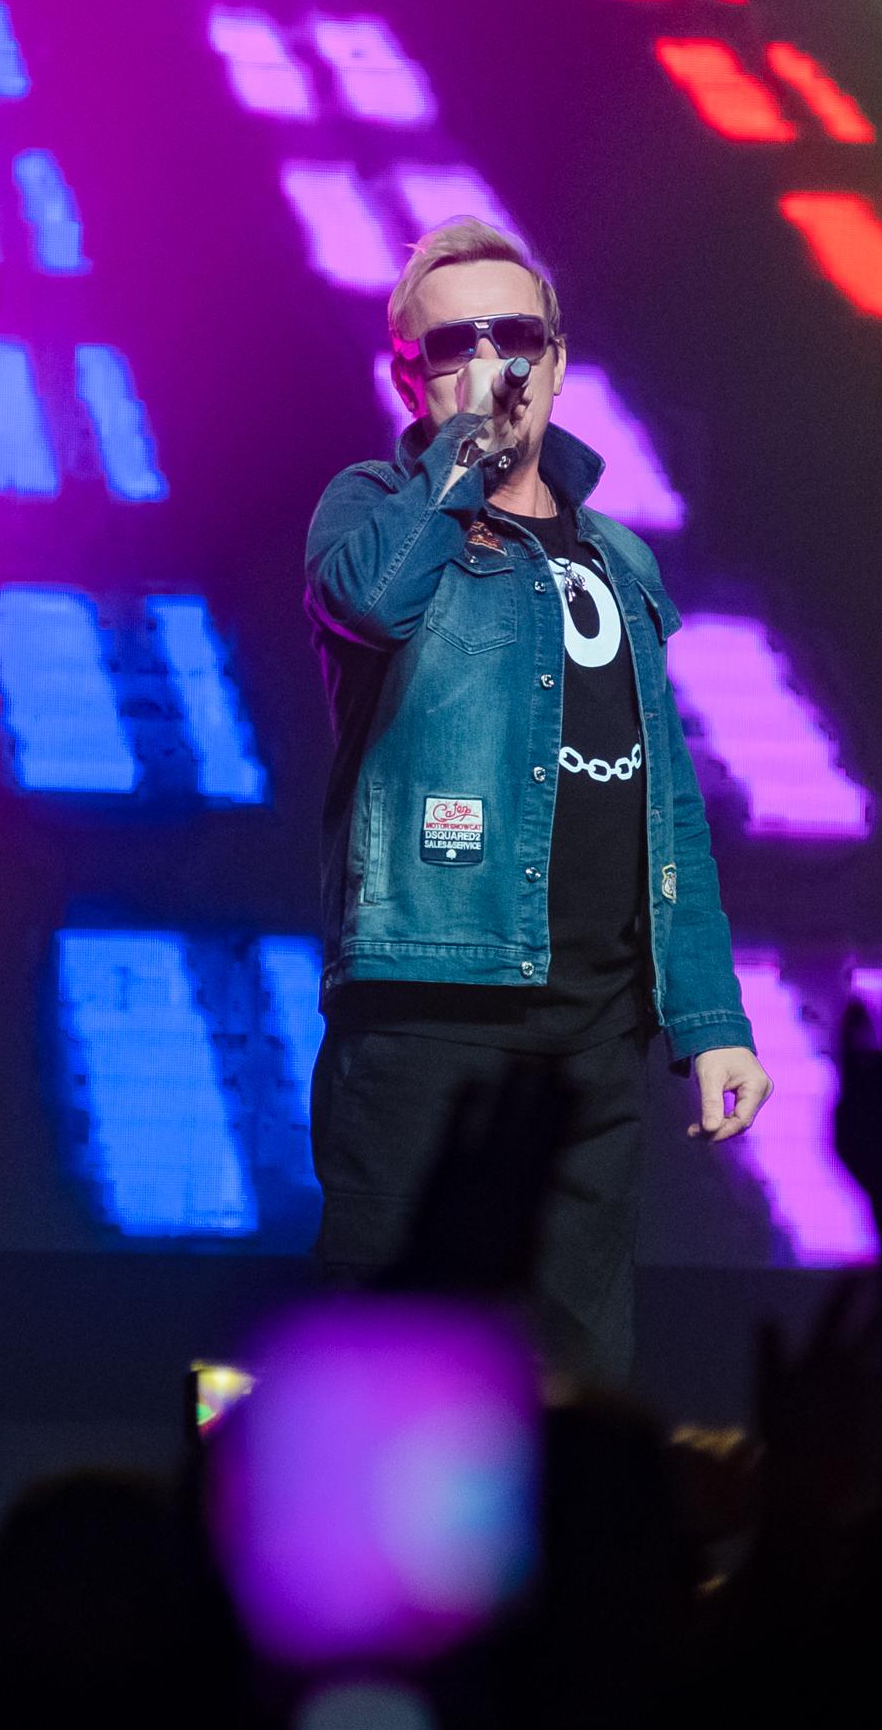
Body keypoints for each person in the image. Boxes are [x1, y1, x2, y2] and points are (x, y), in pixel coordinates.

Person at [302, 217, 769, 1385]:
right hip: (428, 1012)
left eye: (517, 337)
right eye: (456, 344)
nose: (494, 363)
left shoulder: (621, 557)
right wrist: (461, 451)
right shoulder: (372, 508)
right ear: (408, 376)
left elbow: (668, 803)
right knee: (394, 1371)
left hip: (594, 1034)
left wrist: (711, 1016)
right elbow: (372, 604)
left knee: (578, 1387)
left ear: (557, 359)